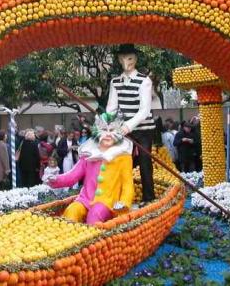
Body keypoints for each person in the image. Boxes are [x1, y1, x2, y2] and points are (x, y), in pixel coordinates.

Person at [46, 113, 134, 225]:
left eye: (112, 130)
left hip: (107, 201)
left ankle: (94, 242)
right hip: (85, 199)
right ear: (96, 131)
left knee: (95, 215)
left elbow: (127, 185)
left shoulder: (123, 156)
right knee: (71, 211)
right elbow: (73, 175)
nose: (108, 134)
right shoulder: (88, 153)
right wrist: (56, 179)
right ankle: (70, 240)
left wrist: (124, 203)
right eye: (103, 130)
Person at [106, 43, 155, 204]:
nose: (129, 60)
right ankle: (121, 196)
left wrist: (127, 126)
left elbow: (145, 110)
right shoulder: (115, 82)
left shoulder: (144, 81)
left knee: (145, 162)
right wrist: (106, 122)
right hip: (124, 129)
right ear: (120, 59)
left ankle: (149, 198)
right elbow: (112, 108)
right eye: (125, 57)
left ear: (135, 58)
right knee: (121, 160)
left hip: (144, 129)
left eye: (131, 57)